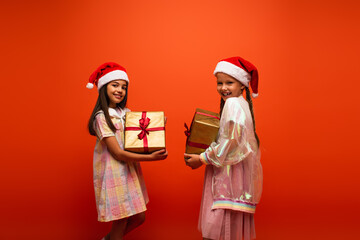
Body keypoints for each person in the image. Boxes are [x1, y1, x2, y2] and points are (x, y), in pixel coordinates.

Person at [86, 62, 168, 240]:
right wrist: (152, 158)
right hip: (113, 173)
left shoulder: (126, 113)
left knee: (139, 217)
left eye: (123, 87)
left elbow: (136, 140)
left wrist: (157, 127)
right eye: (114, 85)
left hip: (129, 171)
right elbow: (118, 153)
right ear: (103, 88)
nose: (120, 90)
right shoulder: (102, 117)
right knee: (121, 220)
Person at [184, 57, 263, 240]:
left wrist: (202, 158)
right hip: (238, 176)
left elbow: (232, 141)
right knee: (227, 228)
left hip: (228, 177)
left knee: (216, 228)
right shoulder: (242, 105)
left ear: (242, 85)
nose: (223, 87)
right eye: (220, 83)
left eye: (230, 82)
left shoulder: (232, 103)